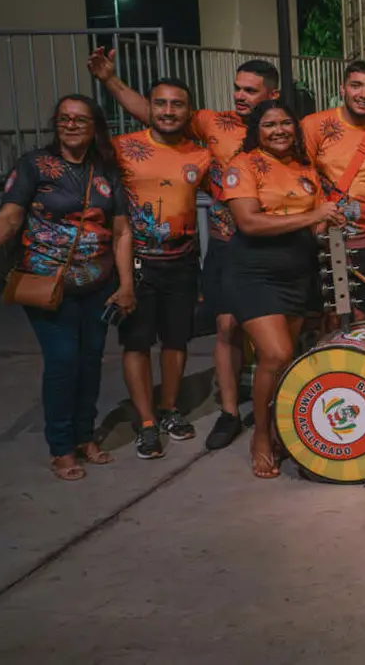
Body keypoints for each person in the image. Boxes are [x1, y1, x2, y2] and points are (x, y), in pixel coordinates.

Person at [88, 48, 280, 451]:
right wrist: (109, 79)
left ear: (272, 95)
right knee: (204, 331)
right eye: (237, 88)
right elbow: (156, 113)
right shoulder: (211, 125)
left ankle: (175, 407)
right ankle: (180, 417)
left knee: (179, 339)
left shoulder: (281, 127)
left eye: (250, 90)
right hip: (201, 250)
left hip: (246, 246)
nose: (240, 96)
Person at [0, 95, 134, 480]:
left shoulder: (106, 171)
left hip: (98, 284)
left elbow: (120, 231)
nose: (70, 125)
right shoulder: (34, 166)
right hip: (46, 284)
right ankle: (62, 447)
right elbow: (10, 217)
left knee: (91, 360)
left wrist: (126, 284)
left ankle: (85, 436)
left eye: (80, 120)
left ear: (95, 127)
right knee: (64, 361)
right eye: (64, 118)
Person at [223, 100, 343, 478]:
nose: (279, 131)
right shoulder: (242, 165)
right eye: (269, 124)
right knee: (276, 354)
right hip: (254, 273)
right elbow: (249, 223)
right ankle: (260, 434)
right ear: (256, 130)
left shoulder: (305, 167)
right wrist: (312, 216)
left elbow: (316, 223)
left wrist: (331, 223)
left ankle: (279, 425)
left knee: (284, 361)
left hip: (299, 272)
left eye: (285, 123)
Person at [113, 78, 211, 459]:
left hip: (182, 261)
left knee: (176, 340)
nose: (168, 111)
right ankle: (147, 422)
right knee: (136, 342)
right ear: (148, 107)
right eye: (161, 104)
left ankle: (169, 410)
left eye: (177, 105)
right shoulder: (122, 148)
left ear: (189, 112)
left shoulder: (200, 155)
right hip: (134, 264)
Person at [301, 60, 365, 324]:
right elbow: (301, 181)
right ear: (342, 88)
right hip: (323, 239)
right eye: (356, 85)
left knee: (359, 318)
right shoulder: (314, 126)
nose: (363, 94)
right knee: (323, 319)